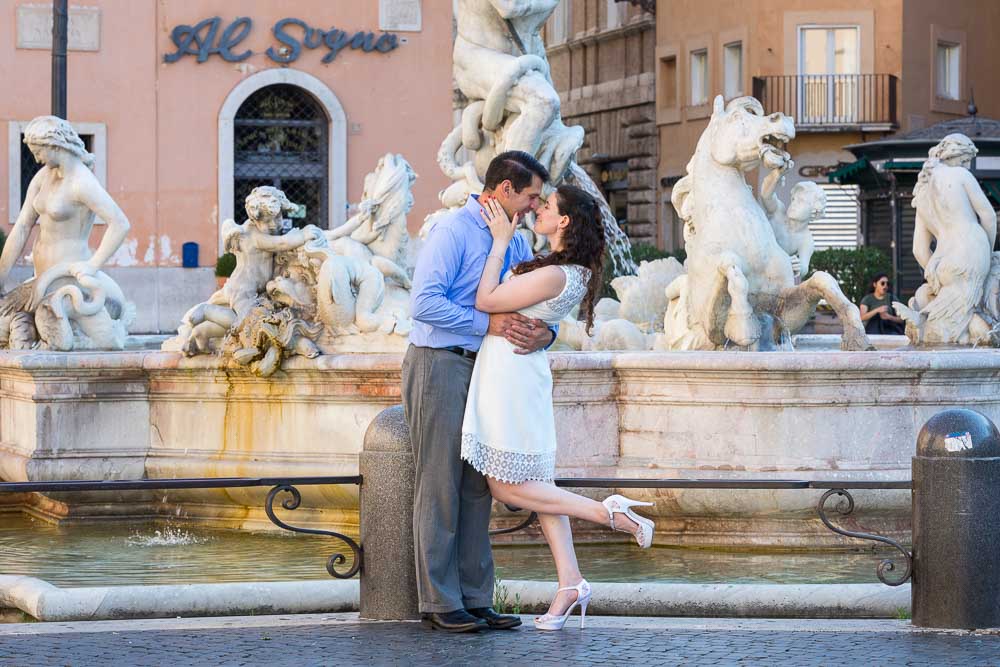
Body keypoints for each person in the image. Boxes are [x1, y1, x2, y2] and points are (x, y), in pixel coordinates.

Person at [462, 184, 656, 632]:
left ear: (564, 221)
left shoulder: (559, 273)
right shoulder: (561, 268)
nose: (539, 210)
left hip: (509, 379)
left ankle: (609, 513)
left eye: (546, 207)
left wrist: (496, 244)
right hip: (514, 373)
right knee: (539, 487)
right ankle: (570, 583)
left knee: (507, 489)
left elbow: (486, 301)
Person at [402, 151, 557, 633]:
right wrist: (485, 324)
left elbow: (533, 304)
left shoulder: (511, 238)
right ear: (505, 190)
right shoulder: (452, 230)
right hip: (441, 365)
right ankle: (440, 601)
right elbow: (424, 303)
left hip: (486, 370)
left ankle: (475, 597)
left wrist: (545, 335)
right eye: (531, 195)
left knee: (476, 485)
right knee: (440, 483)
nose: (535, 205)